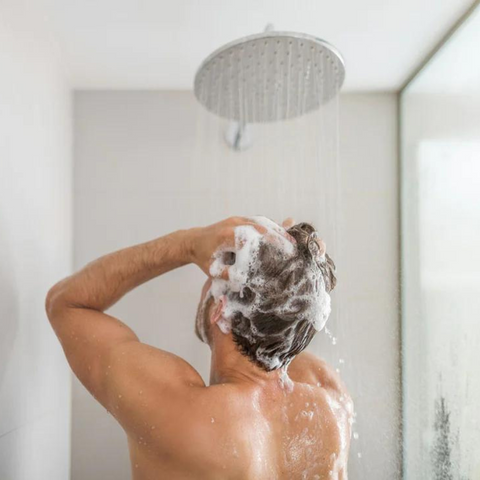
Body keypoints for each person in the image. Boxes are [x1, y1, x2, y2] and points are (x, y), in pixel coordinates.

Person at [46, 216, 353, 479]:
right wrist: (297, 268)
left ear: (221, 310)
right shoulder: (328, 400)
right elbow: (286, 318)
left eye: (210, 278)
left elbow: (67, 304)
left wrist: (189, 245)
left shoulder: (180, 410)